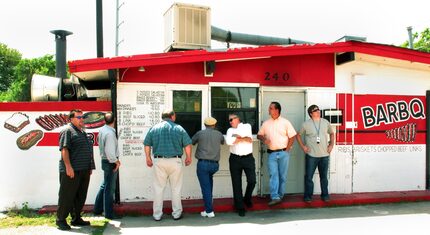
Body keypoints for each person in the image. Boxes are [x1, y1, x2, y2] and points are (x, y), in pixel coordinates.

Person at [144, 109, 192, 221]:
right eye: (174, 115)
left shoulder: (154, 128)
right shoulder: (179, 128)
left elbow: (147, 144)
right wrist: (188, 157)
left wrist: (148, 158)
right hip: (175, 161)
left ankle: (157, 215)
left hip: (159, 161)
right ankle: (176, 213)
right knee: (176, 188)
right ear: (172, 116)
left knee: (158, 188)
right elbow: (187, 144)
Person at [56, 109, 95, 231]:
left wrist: (89, 166)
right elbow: (64, 149)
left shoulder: (82, 132)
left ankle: (76, 218)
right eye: (79, 117)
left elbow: (86, 150)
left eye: (82, 117)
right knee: (66, 196)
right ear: (71, 119)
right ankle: (61, 220)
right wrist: (68, 167)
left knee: (80, 196)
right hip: (72, 170)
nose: (81, 119)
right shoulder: (67, 131)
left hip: (84, 170)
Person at [257, 102, 296, 206]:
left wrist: (287, 150)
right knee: (273, 175)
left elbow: (292, 136)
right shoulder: (266, 123)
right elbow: (259, 135)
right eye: (269, 108)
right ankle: (275, 196)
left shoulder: (285, 122)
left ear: (277, 110)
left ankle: (280, 195)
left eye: (271, 108)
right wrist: (263, 139)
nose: (269, 110)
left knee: (282, 176)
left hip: (284, 153)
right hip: (272, 154)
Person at [296, 104, 334, 203]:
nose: (318, 111)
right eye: (315, 110)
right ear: (311, 113)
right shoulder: (306, 124)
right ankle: (308, 196)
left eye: (318, 109)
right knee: (309, 177)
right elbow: (298, 135)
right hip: (311, 156)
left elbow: (332, 133)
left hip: (324, 155)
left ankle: (325, 195)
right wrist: (303, 147)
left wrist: (331, 145)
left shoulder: (325, 122)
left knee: (324, 177)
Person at [192, 117, 225, 218]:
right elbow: (223, 142)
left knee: (205, 188)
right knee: (209, 186)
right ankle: (208, 207)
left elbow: (192, 142)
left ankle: (209, 211)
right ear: (214, 125)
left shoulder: (200, 133)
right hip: (214, 165)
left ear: (205, 124)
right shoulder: (219, 134)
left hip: (203, 164)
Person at [225, 114, 256, 217]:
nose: (230, 122)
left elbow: (249, 139)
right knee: (236, 184)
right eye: (229, 120)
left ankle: (247, 198)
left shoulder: (247, 126)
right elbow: (229, 142)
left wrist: (237, 138)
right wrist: (242, 138)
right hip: (235, 159)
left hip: (248, 158)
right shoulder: (230, 130)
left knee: (252, 180)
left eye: (231, 119)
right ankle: (240, 207)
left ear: (238, 119)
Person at [93, 112, 121, 219]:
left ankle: (98, 208)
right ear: (114, 120)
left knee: (105, 185)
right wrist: (116, 162)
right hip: (110, 162)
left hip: (105, 161)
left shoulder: (103, 130)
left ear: (104, 120)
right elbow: (110, 151)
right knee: (109, 189)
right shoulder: (109, 133)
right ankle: (108, 213)